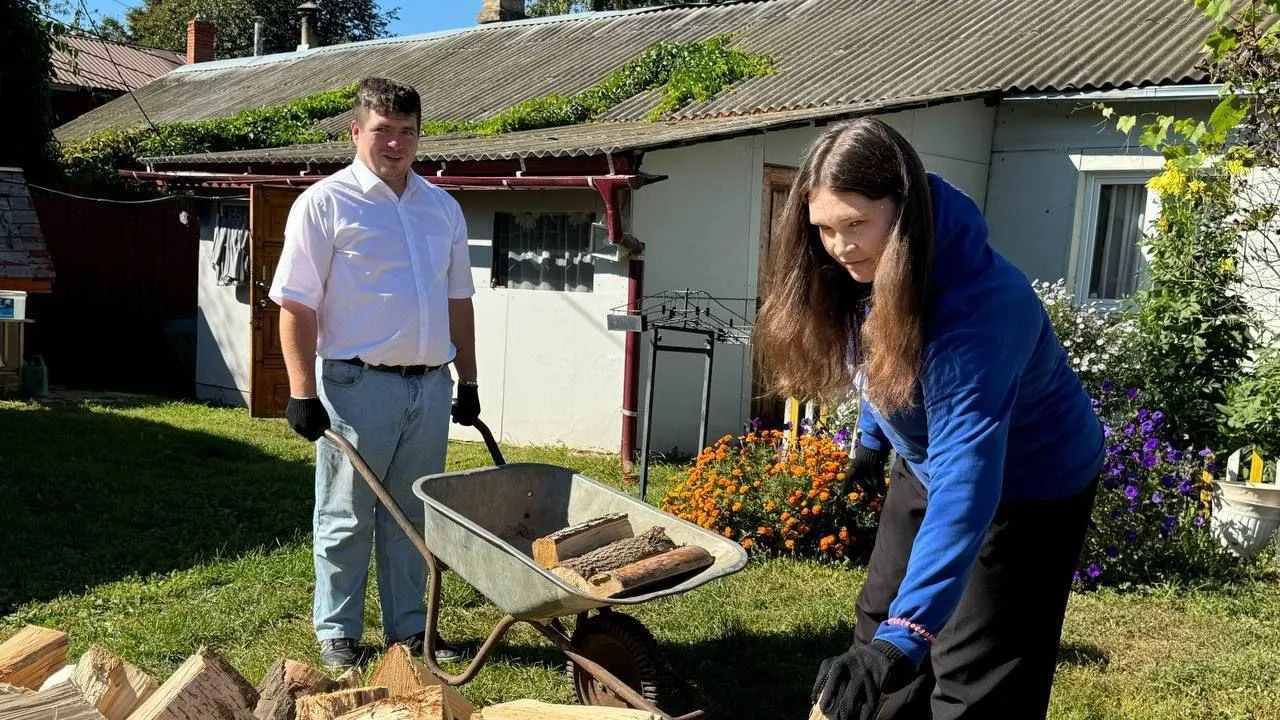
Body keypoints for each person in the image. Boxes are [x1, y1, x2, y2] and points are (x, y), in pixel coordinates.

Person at [753, 118, 1104, 720]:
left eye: (856, 224)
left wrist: (908, 635)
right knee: (877, 627)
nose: (840, 248)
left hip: (1029, 485)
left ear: (903, 207)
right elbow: (882, 357)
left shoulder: (980, 313)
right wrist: (871, 441)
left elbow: (969, 486)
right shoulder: (867, 267)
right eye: (825, 230)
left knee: (975, 668)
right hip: (930, 462)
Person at [268, 76, 481, 669]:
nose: (396, 144)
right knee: (346, 512)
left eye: (407, 132)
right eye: (383, 131)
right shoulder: (324, 203)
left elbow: (458, 300)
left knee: (413, 515)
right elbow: (295, 304)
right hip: (357, 387)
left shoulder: (442, 208)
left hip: (430, 385)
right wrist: (301, 393)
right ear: (355, 131)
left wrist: (468, 380)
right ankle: (337, 632)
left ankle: (410, 631)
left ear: (419, 136)